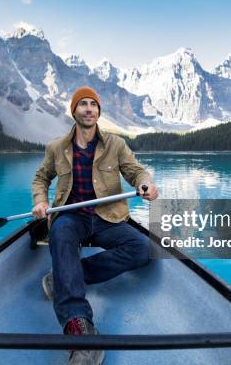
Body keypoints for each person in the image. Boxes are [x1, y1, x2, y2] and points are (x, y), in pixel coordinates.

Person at [31, 86, 159, 365]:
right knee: (60, 234)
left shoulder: (116, 144)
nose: (89, 109)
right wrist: (41, 201)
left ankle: (65, 277)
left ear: (98, 111)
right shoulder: (56, 147)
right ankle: (80, 332)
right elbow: (41, 178)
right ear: (74, 110)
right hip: (71, 216)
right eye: (83, 104)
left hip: (106, 217)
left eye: (94, 105)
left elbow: (136, 171)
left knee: (141, 249)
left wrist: (145, 184)